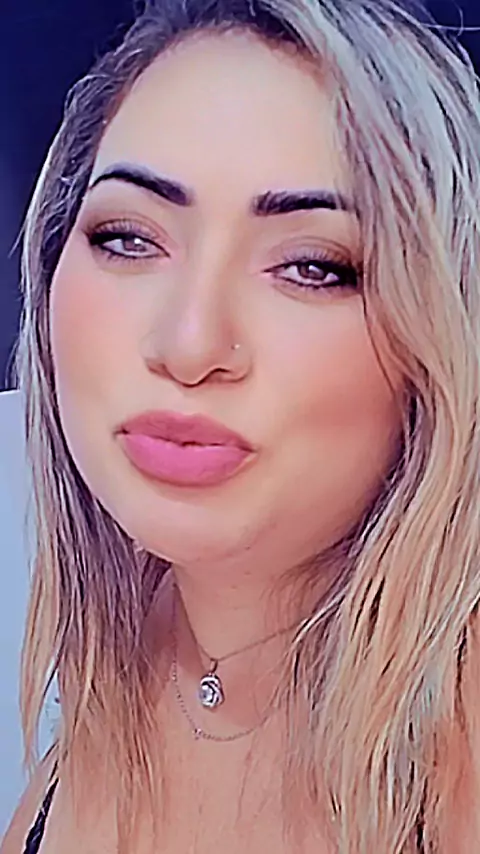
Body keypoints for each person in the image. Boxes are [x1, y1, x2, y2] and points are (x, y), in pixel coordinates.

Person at [2, 0, 480, 851]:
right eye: (128, 238)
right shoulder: (107, 663)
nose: (190, 345)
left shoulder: (457, 729)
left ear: (441, 334)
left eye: (312, 266)